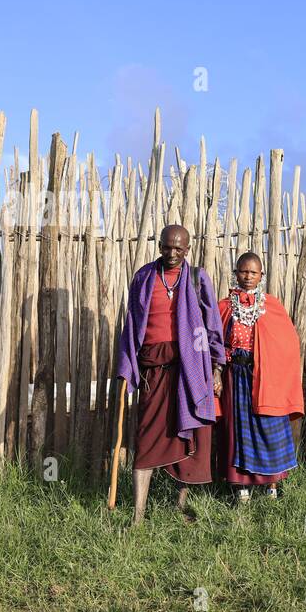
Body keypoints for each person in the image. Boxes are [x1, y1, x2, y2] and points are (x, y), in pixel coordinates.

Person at [116, 224, 226, 525]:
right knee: (147, 438)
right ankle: (138, 516)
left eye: (178, 248)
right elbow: (132, 325)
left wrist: (216, 367)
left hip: (191, 368)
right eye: (167, 247)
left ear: (187, 249)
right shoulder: (144, 277)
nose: (172, 253)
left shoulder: (197, 278)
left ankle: (179, 505)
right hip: (154, 369)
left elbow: (212, 325)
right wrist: (127, 369)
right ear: (159, 244)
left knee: (188, 433)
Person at [216, 252, 305, 502]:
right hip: (236, 376)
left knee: (269, 426)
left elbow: (288, 343)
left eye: (253, 272)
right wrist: (219, 370)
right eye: (243, 271)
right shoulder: (224, 307)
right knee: (239, 428)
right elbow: (216, 342)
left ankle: (271, 485)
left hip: (265, 377)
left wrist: (274, 367)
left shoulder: (271, 306)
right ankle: (240, 485)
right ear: (235, 273)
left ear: (261, 275)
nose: (247, 276)